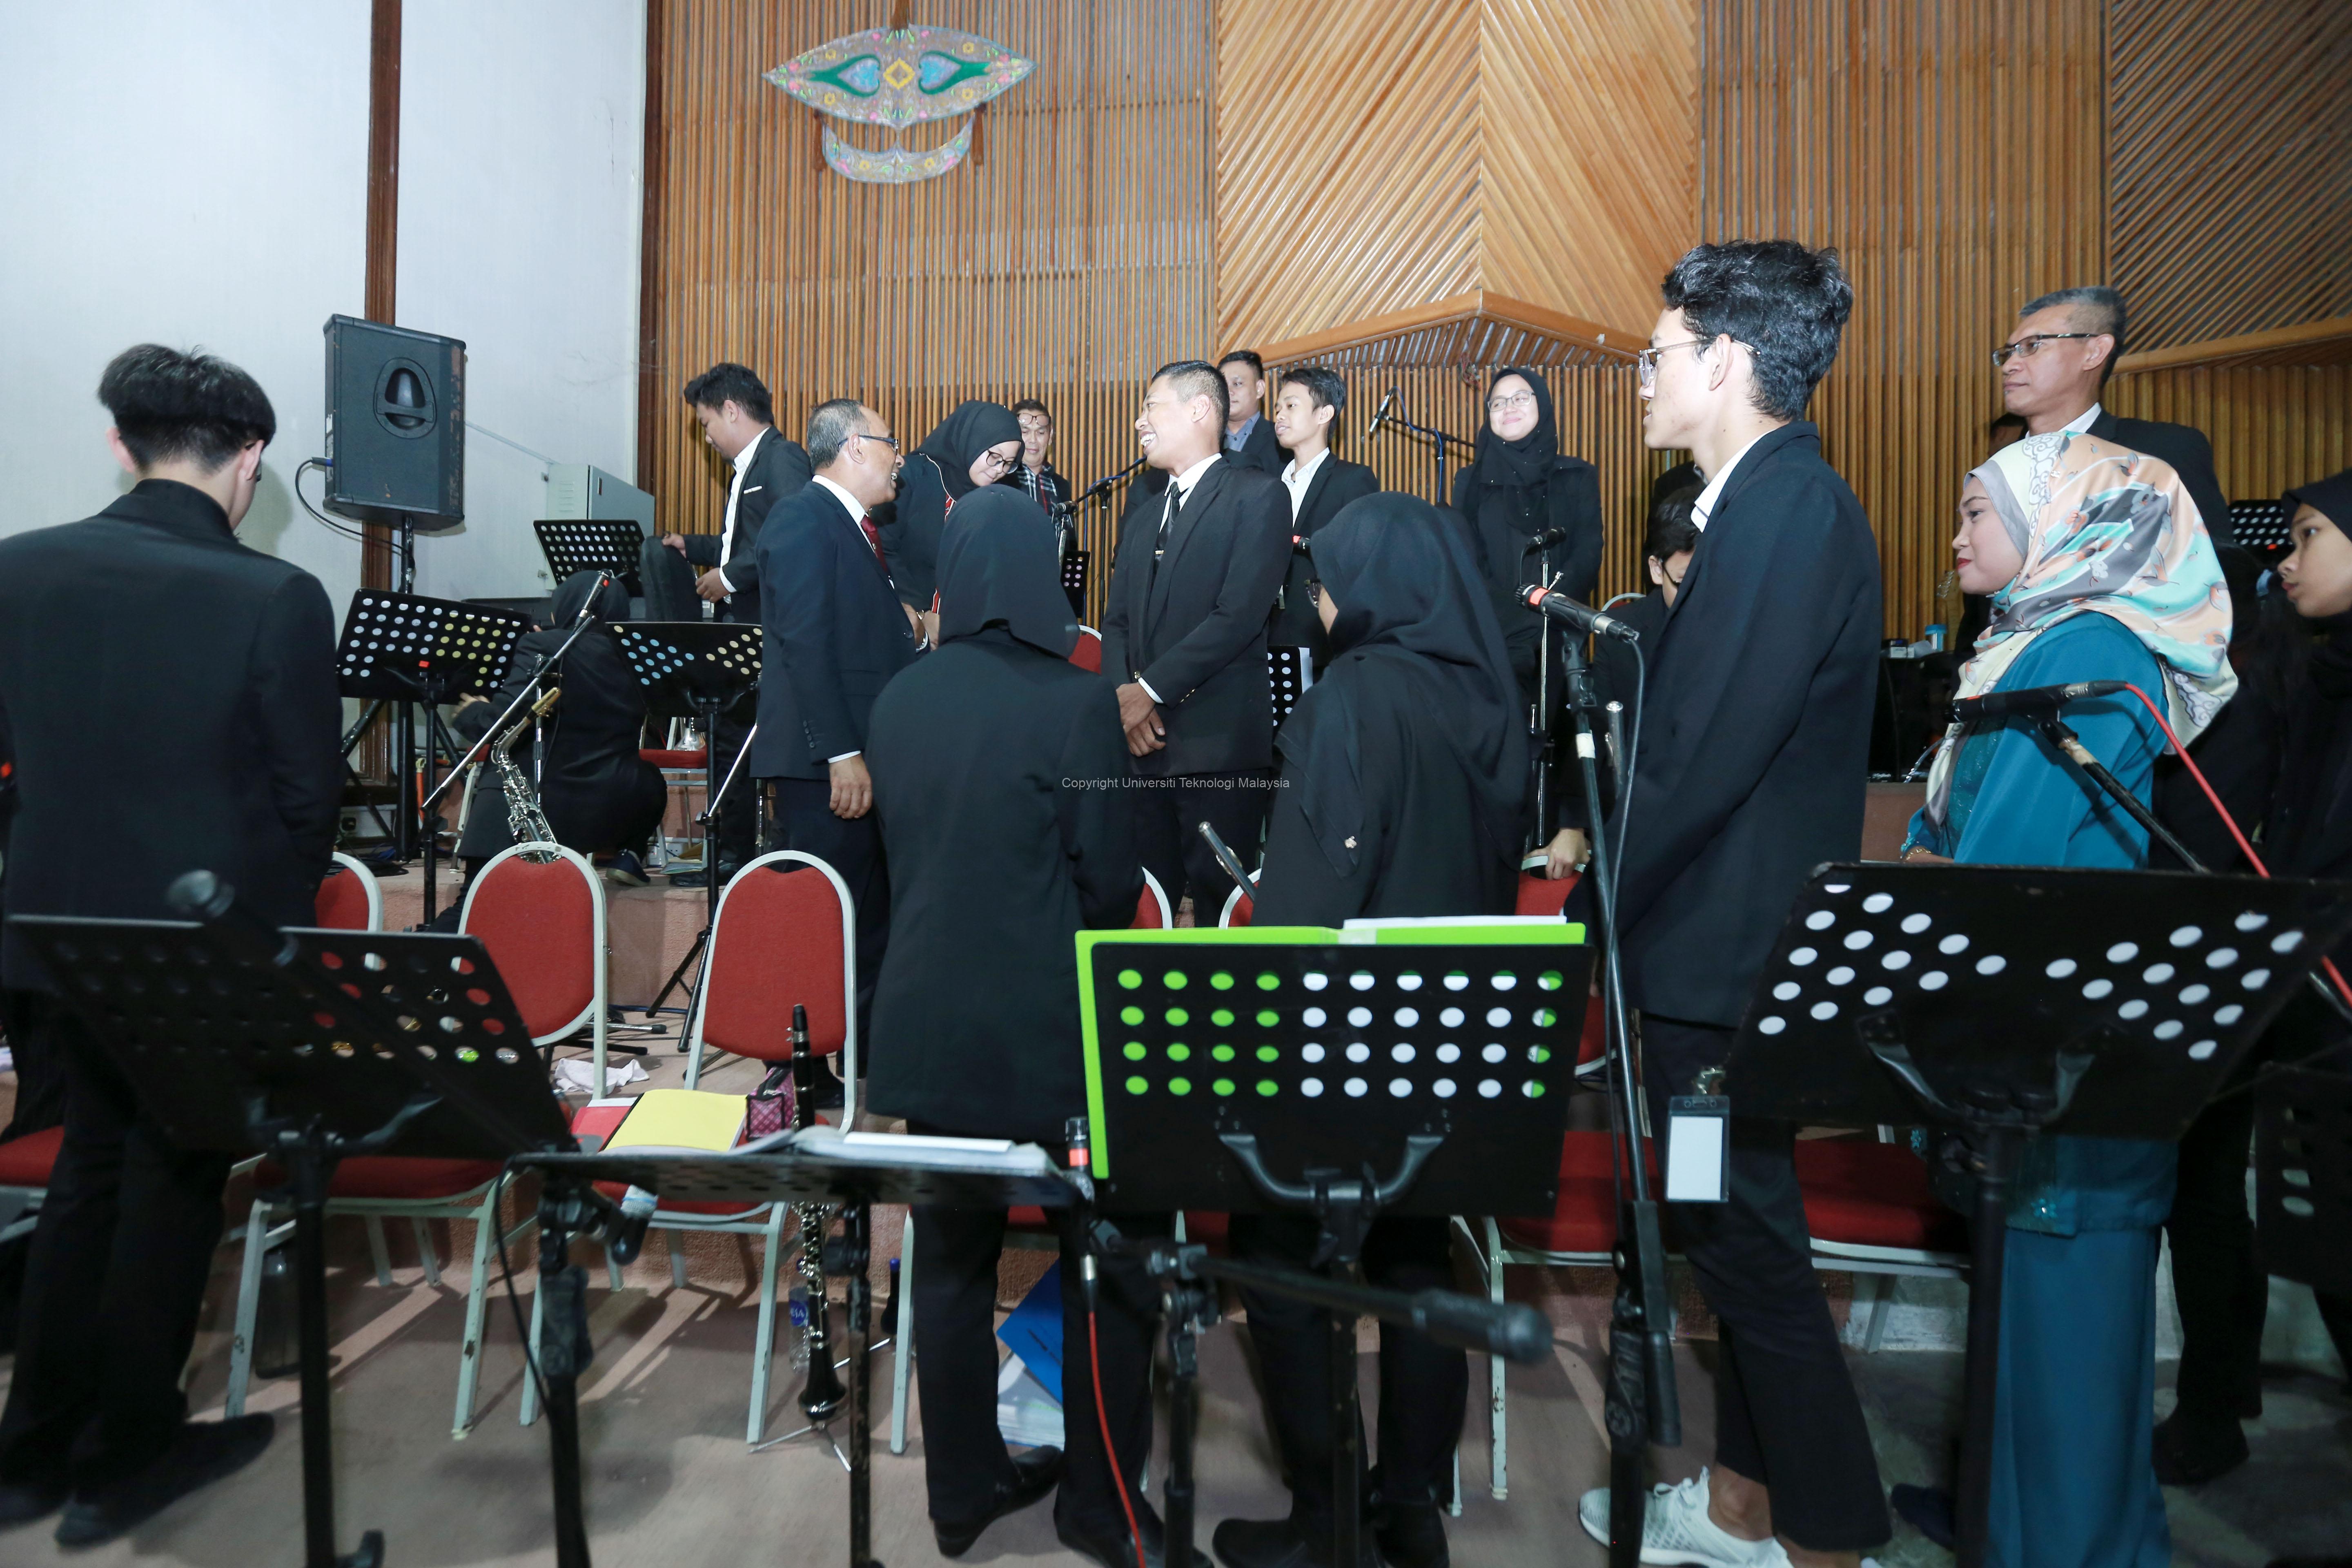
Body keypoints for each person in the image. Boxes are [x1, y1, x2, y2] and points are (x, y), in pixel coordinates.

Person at [1565, 241, 1889, 1568]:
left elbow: (1699, 757)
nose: (1642, 380)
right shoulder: (1758, 504)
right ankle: (1744, 1502)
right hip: (1713, 961)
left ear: (1728, 359)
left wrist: (1589, 916)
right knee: (1726, 1229)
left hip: (1725, 970)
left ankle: (1831, 1533)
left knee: (1745, 1245)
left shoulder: (1788, 509)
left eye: (1657, 356)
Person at [0, 345, 341, 1544]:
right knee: (173, 1176)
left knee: (88, 1172)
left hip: (54, 937)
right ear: (250, 458)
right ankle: (124, 1453)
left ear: (121, 443)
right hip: (198, 947)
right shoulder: (274, 595)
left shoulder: (17, 568)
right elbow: (309, 803)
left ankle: (32, 1446)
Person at [1893, 429, 2236, 1566]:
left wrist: (1922, 874)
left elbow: (2002, 874)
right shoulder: (2039, 640)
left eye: (1975, 513)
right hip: (2042, 1053)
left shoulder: (2086, 647)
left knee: (2066, 1373)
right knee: (2030, 1362)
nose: (1955, 536)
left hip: (2065, 1059)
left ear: (2064, 523)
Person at [864, 489, 1200, 1568]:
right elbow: (1108, 884)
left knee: (950, 1262)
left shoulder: (898, 699)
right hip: (1053, 1031)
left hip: (928, 1025)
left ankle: (960, 1494)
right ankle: (1098, 1506)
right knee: (1111, 1252)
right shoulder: (1077, 700)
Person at [1213, 492, 1525, 1568]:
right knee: (1418, 1261)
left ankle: (1325, 1514)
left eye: (1329, 581)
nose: (1320, 601)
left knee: (1277, 1257)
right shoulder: (1489, 696)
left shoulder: (1350, 697)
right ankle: (1411, 1509)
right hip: (1457, 1036)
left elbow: (1305, 911)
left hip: (1347, 1033)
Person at [2150, 469, 2352, 1488]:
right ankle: (2214, 1398)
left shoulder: (2261, 662)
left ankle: (2212, 1403)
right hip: (2276, 971)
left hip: (2299, 980)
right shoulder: (2308, 666)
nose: (2286, 556)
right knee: (2220, 1194)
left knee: (2294, 1216)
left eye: (2310, 534)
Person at [747, 398, 920, 1042]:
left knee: (866, 918)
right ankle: (798, 1069)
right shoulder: (803, 517)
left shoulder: (855, 528)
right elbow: (806, 644)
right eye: (890, 442)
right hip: (824, 765)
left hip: (859, 760)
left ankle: (859, 1060)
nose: (899, 457)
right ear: (854, 447)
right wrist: (841, 752)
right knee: (821, 925)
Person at [1099, 360, 1291, 913]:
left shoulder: (1259, 496)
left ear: (1200, 409)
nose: (1141, 421)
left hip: (1217, 748)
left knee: (1220, 912)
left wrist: (1148, 691)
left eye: (1151, 406)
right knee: (1144, 909)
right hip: (1141, 750)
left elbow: (1237, 617)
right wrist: (1125, 704)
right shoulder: (1144, 516)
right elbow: (1116, 623)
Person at [640, 362, 812, 885]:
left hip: (769, 634)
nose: (707, 436)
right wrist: (691, 548)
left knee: (739, 744)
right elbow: (740, 544)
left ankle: (738, 859)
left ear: (732, 410)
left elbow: (791, 535)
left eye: (706, 423)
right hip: (745, 634)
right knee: (727, 741)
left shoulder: (782, 458)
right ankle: (728, 857)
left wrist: (729, 578)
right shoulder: (746, 470)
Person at [450, 570, 667, 883]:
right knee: (650, 777)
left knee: (505, 756)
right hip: (609, 811)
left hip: (540, 808)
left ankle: (464, 900)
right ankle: (630, 856)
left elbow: (503, 723)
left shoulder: (542, 644)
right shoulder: (637, 660)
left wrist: (471, 712)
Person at [1539, 486, 1698, 879]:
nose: (1697, 598)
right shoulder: (1624, 632)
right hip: (1639, 815)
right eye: (1683, 583)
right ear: (1656, 569)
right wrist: (1574, 826)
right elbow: (1593, 728)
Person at [1998, 286, 2232, 546]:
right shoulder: (1999, 467)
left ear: (2094, 352)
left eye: (2032, 346)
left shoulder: (2163, 453)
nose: (2009, 366)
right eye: (2008, 353)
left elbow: (2216, 560)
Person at [1267, 365, 1379, 671]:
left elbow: (1359, 567)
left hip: (1321, 640)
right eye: (1277, 408)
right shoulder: (1266, 485)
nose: (1279, 415)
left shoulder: (1352, 480)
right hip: (1265, 638)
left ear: (1324, 414)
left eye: (1291, 406)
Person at [881, 398, 1023, 619]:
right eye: (995, 457)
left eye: (1008, 463)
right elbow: (882, 547)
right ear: (972, 441)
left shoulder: (997, 499)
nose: (999, 470)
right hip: (904, 619)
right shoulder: (911, 476)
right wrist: (919, 614)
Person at [1218, 350, 1286, 475]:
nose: (1228, 392)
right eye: (1222, 385)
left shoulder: (1281, 441)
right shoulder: (1206, 440)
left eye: (1237, 384)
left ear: (1259, 389)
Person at [1003, 396, 1074, 513]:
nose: (1033, 440)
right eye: (1025, 432)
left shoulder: (1061, 486)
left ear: (1050, 436)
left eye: (1041, 433)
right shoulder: (1001, 478)